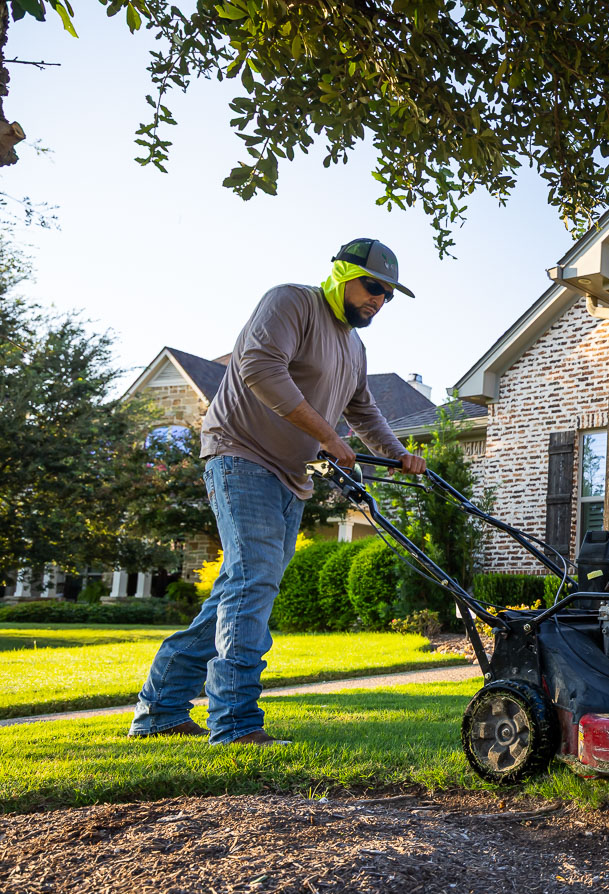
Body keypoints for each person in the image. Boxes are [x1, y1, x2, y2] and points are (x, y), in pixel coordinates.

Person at [128, 239, 427, 745]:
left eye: (389, 295)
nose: (379, 300)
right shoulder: (290, 302)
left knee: (237, 590)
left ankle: (158, 710)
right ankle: (236, 723)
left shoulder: (354, 347)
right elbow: (260, 368)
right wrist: (329, 437)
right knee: (253, 585)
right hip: (241, 455)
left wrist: (399, 453)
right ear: (341, 274)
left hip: (291, 475)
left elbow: (363, 409)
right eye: (373, 286)